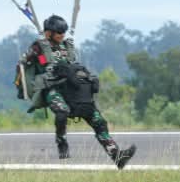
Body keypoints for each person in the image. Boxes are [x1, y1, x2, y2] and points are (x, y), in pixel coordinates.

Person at [18, 14, 136, 169]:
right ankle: (62, 143)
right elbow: (24, 63)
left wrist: (89, 78)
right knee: (62, 111)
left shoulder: (67, 46)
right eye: (58, 33)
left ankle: (117, 156)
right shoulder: (39, 47)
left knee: (98, 121)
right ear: (49, 33)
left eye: (63, 33)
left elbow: (74, 64)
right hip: (53, 89)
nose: (61, 36)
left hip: (72, 87)